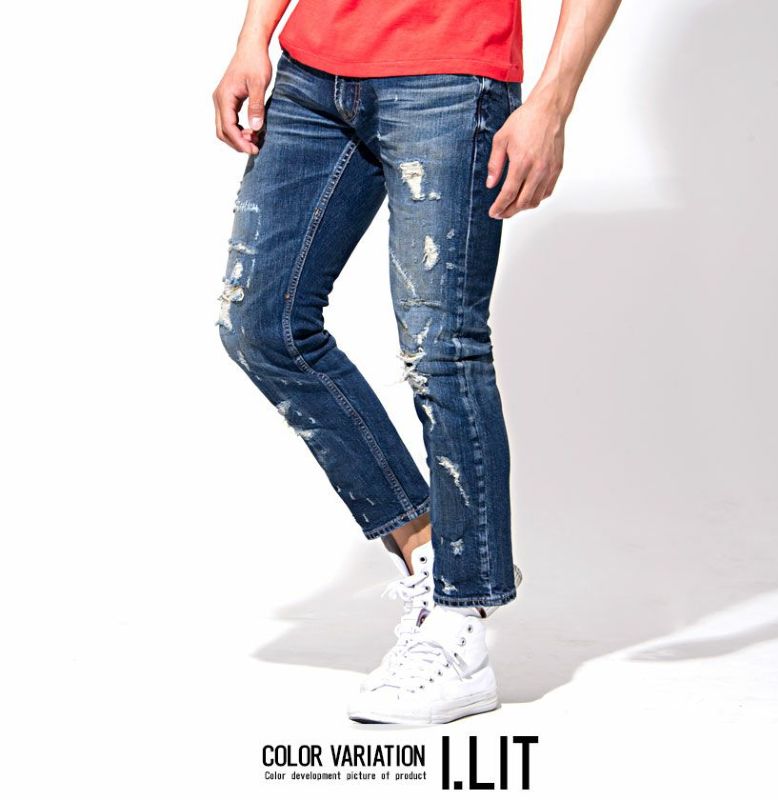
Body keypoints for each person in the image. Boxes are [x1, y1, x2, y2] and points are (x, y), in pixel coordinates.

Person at [212, 0, 621, 724]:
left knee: (442, 349)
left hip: (451, 77)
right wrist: (253, 37)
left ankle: (461, 629)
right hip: (313, 70)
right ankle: (432, 545)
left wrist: (553, 102)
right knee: (260, 324)